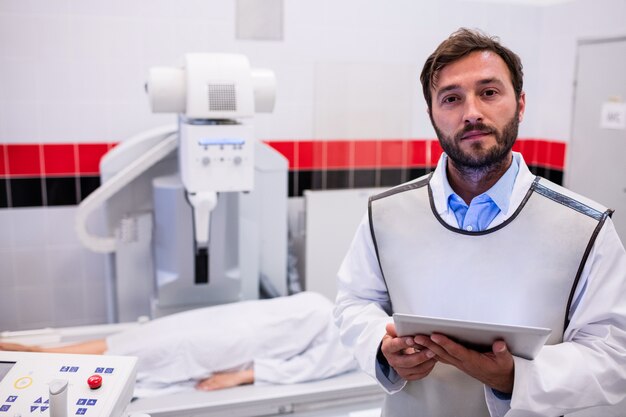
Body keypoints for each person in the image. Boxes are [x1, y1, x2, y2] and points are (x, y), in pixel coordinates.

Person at [333, 28, 626, 417]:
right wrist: (381, 349)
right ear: (432, 115)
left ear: (520, 105)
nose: (471, 112)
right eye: (452, 98)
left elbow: (612, 352)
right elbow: (355, 302)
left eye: (489, 92)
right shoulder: (385, 213)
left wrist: (516, 378)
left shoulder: (585, 228)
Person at [1, 291, 357, 394]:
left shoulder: (356, 342)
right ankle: (39, 355)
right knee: (136, 338)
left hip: (225, 343)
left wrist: (240, 377)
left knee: (141, 351)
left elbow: (308, 368)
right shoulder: (337, 305)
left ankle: (40, 357)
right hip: (224, 322)